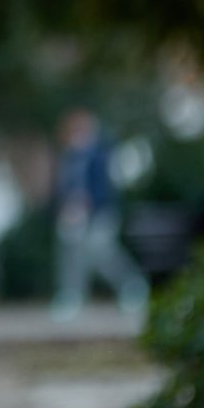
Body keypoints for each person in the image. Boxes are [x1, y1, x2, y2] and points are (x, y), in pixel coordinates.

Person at [50, 109, 150, 321]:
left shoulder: (102, 152)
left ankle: (132, 286)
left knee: (102, 251)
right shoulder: (69, 157)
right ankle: (71, 296)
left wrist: (87, 205)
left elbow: (106, 187)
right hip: (74, 215)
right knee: (72, 254)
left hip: (101, 213)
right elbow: (63, 187)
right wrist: (67, 208)